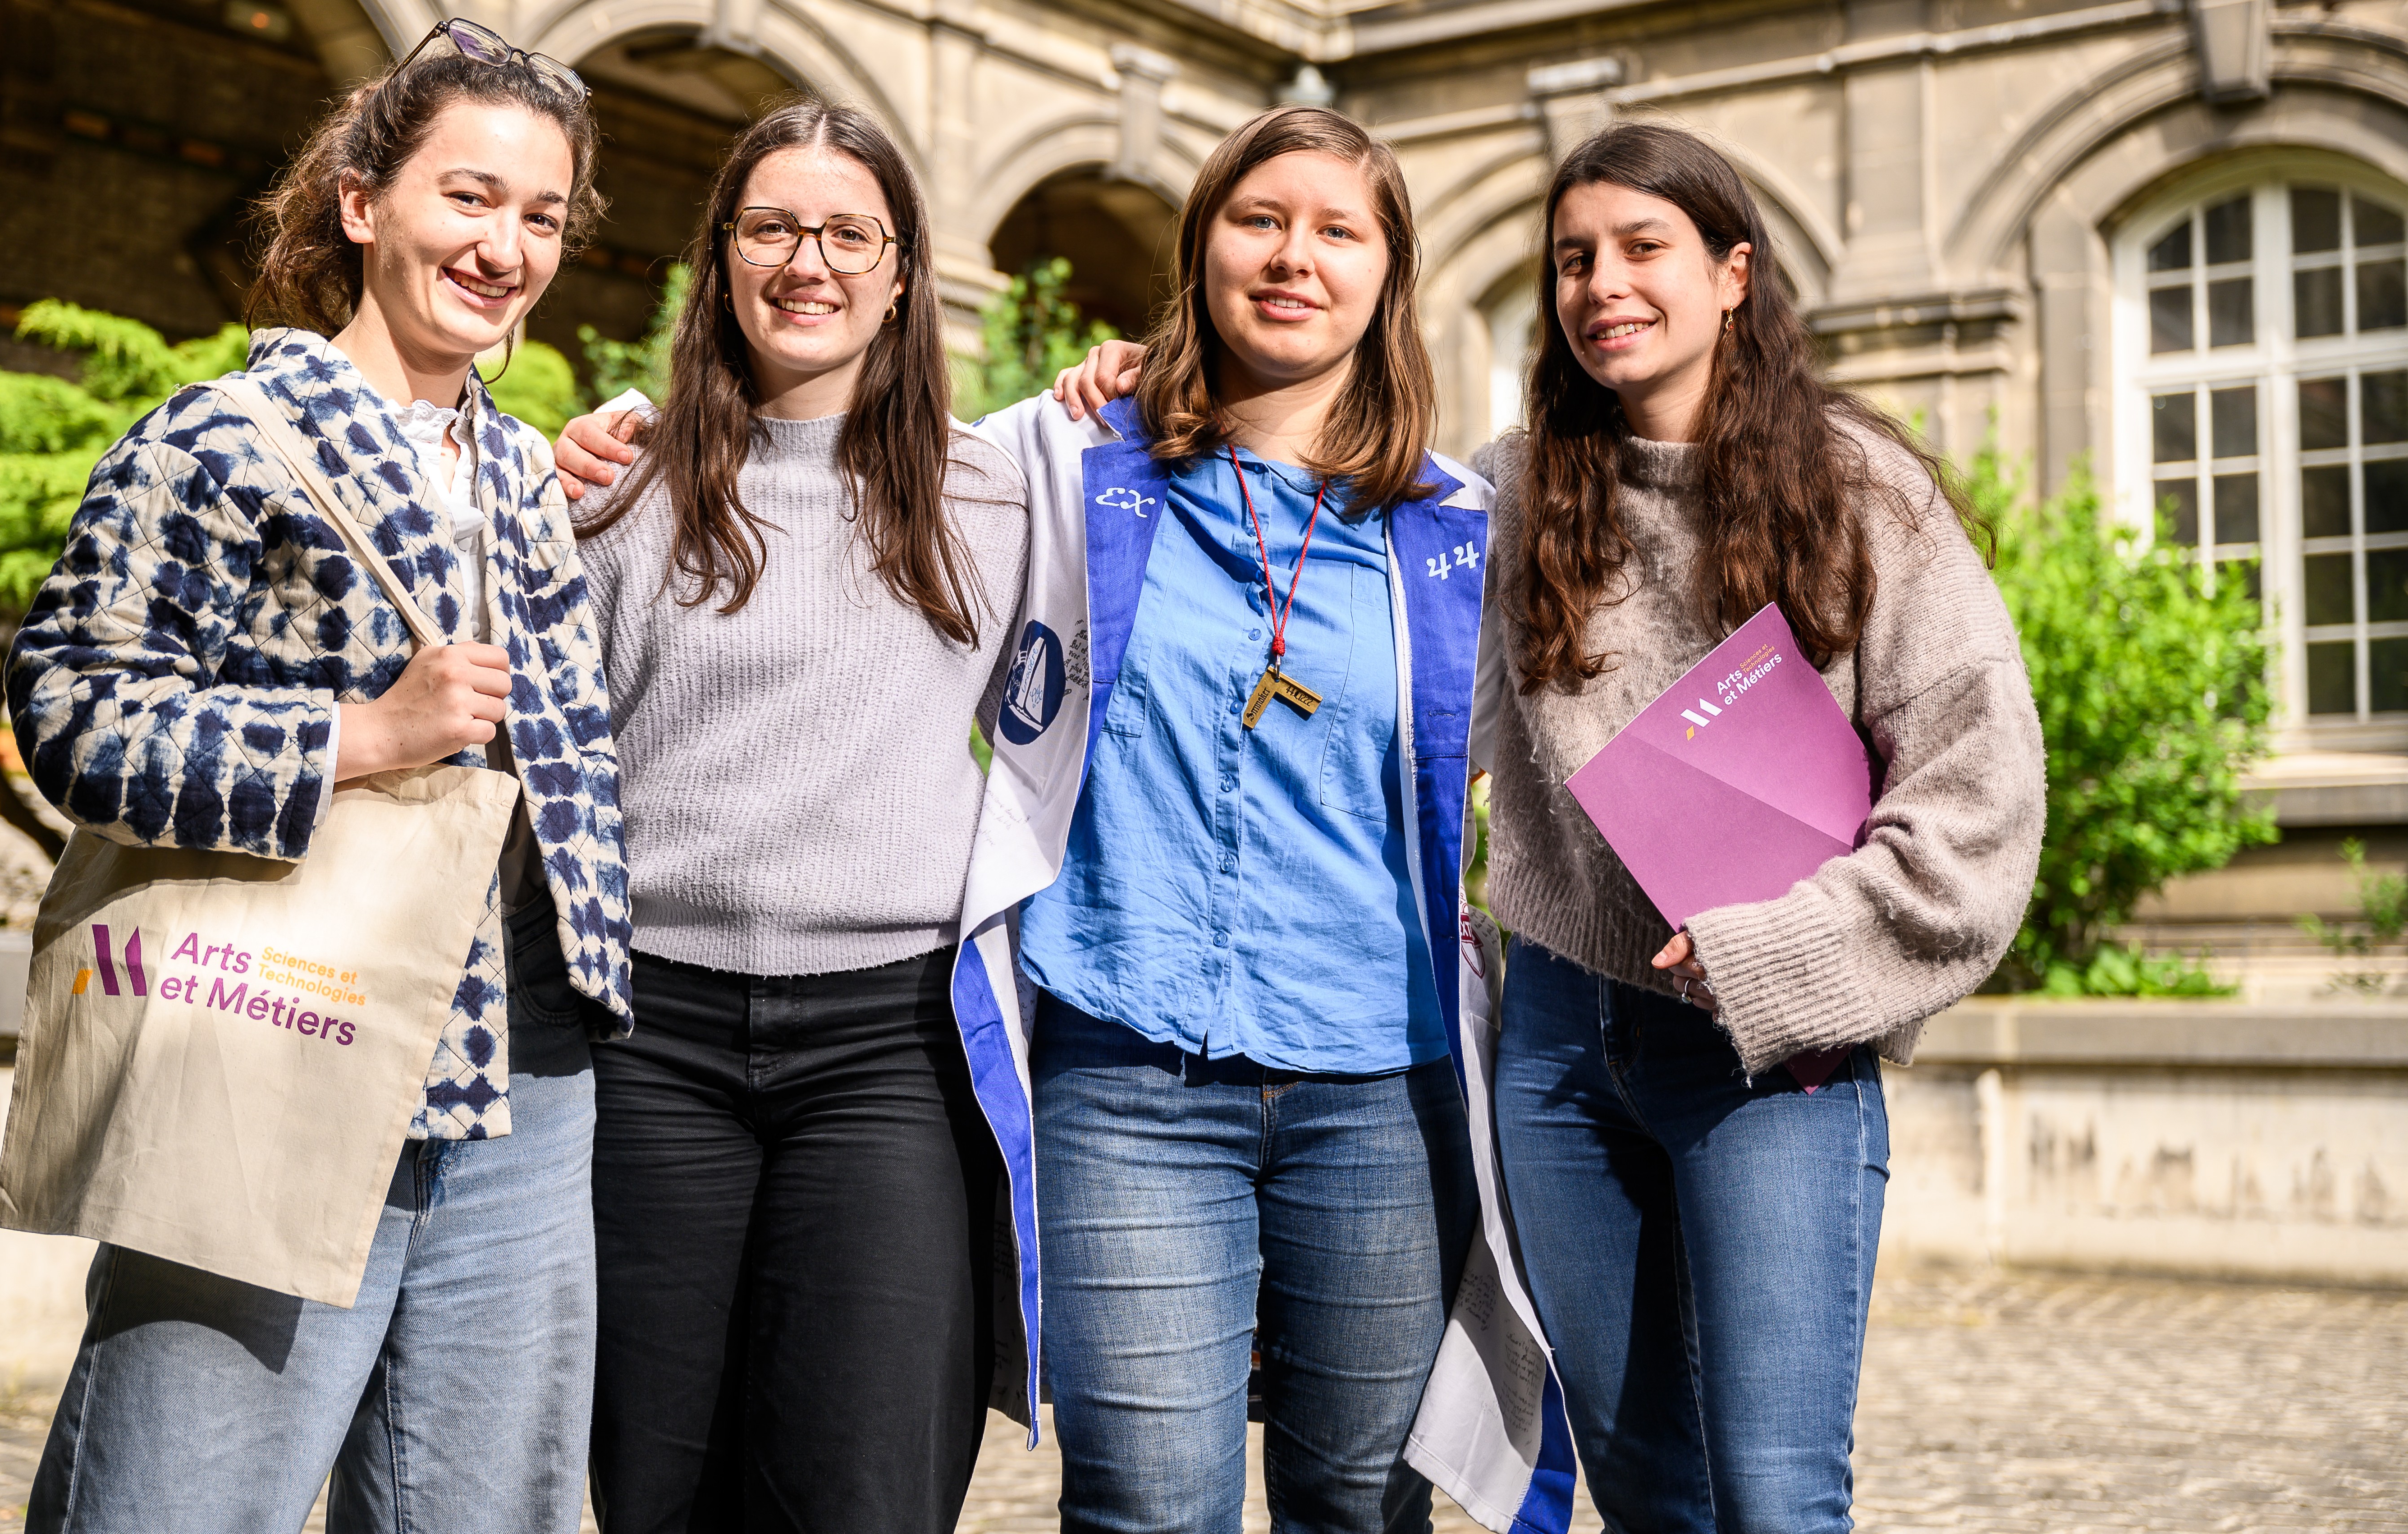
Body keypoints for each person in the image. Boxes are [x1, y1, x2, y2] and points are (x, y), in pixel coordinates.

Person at [1062, 116, 2046, 1533]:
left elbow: (1979, 809)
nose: (1604, 285)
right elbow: (1353, 686)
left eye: (1646, 248)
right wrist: (1155, 398)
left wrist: (1778, 951)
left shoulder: (1864, 493)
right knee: (1641, 1485)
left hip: (1776, 1057)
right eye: (1573, 258)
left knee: (1775, 1491)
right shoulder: (1509, 498)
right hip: (1557, 1056)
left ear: (1734, 273)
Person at [3, 19, 627, 1531]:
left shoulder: (527, 474)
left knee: (483, 1512)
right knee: (179, 1499)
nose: (506, 247)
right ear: (364, 204)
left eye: (541, 217)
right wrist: (358, 736)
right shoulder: (224, 438)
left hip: (524, 1079)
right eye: (468, 198)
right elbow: (72, 709)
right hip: (283, 1031)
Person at [948, 104, 1541, 1534]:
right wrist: (618, 449)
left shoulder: (1462, 529)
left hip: (1377, 1090)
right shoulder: (1072, 469)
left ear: (1389, 277)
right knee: (1150, 1505)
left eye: (1340, 231)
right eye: (1259, 219)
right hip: (1128, 1069)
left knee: (1360, 1504)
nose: (1295, 256)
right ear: (1201, 245)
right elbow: (850, 487)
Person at [551, 100, 1029, 1534]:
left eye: (847, 233)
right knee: (655, 1481)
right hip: (653, 1044)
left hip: (886, 1046)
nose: (806, 260)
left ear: (900, 272)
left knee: (863, 1482)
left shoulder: (999, 497)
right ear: (721, 259)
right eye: (771, 227)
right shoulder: (613, 490)